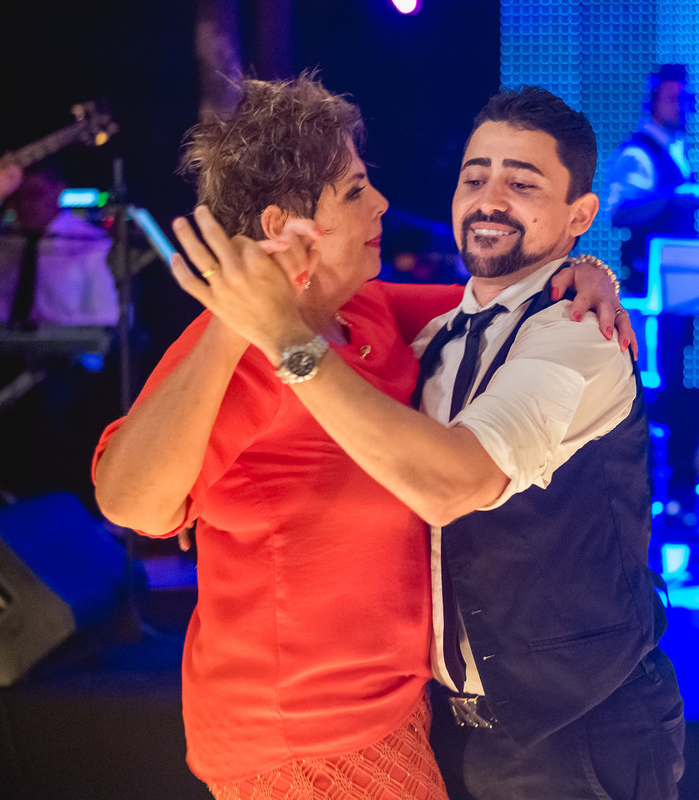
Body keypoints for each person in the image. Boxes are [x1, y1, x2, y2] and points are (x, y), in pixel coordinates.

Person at [91, 74, 628, 799]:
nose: (379, 202)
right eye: (352, 192)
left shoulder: (364, 308)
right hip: (302, 735)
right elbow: (132, 503)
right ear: (286, 229)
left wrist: (587, 267)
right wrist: (237, 321)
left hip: (386, 709)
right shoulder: (246, 354)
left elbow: (499, 297)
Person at [0, 161, 118, 328]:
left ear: (58, 190)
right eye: (17, 197)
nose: (24, 205)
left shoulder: (90, 244)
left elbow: (105, 319)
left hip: (65, 350)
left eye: (34, 195)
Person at [605, 63, 699, 298]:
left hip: (680, 280)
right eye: (673, 100)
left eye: (685, 100)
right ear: (653, 102)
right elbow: (619, 213)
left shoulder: (678, 149)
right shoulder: (637, 154)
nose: (681, 108)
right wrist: (671, 197)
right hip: (649, 285)